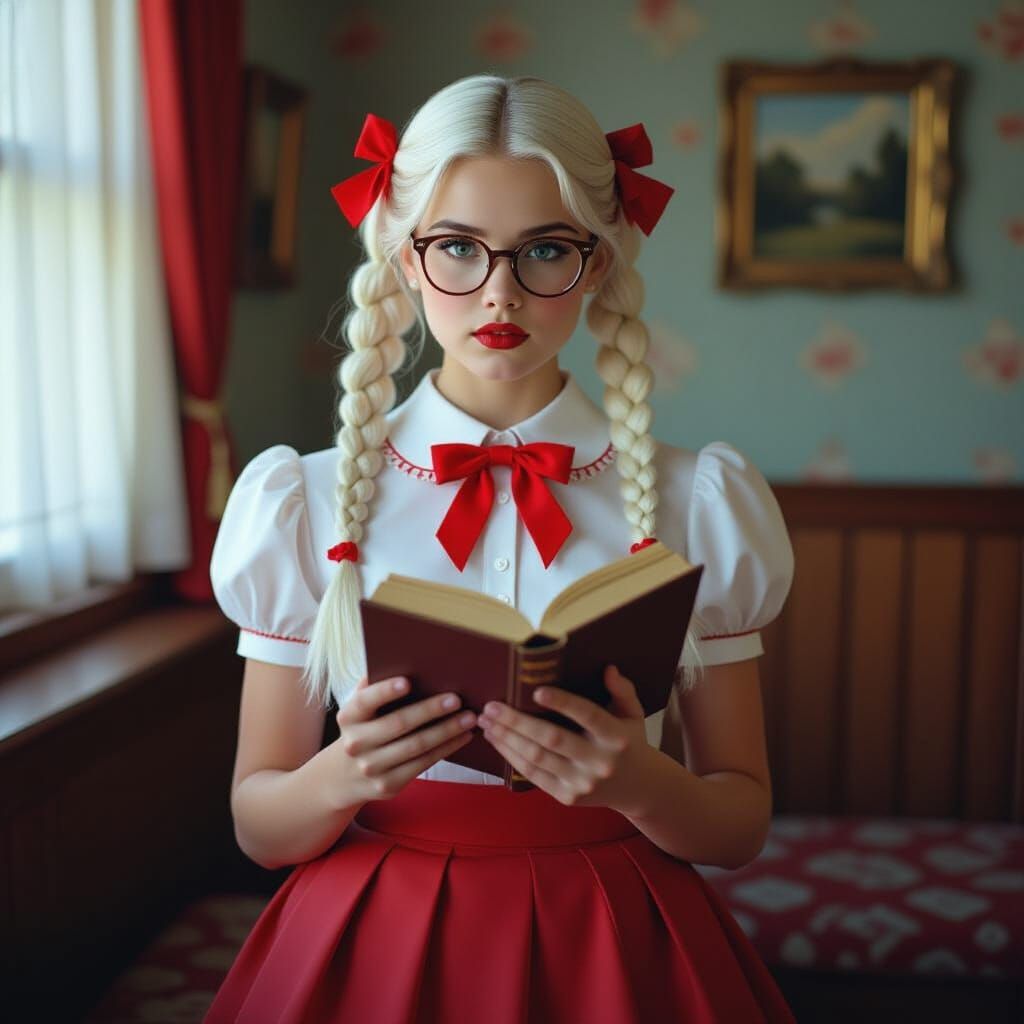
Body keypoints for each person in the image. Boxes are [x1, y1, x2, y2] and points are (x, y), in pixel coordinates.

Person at [204, 74, 797, 1023]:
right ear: (404, 258)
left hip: (613, 934)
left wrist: (641, 782)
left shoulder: (700, 500)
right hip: (375, 931)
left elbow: (740, 823)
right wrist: (346, 774)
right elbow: (257, 823)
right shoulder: (302, 501)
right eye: (458, 249)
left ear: (598, 263)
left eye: (546, 250)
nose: (500, 292)